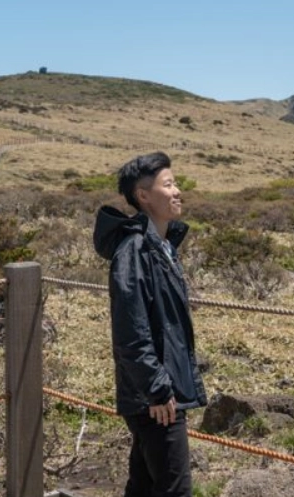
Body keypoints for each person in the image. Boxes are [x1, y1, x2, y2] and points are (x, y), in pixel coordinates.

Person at [93, 151, 207, 497]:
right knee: (175, 489)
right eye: (168, 184)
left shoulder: (160, 246)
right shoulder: (135, 250)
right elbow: (131, 330)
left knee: (144, 486)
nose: (177, 192)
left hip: (155, 392)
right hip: (155, 397)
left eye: (176, 184)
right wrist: (157, 388)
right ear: (143, 196)